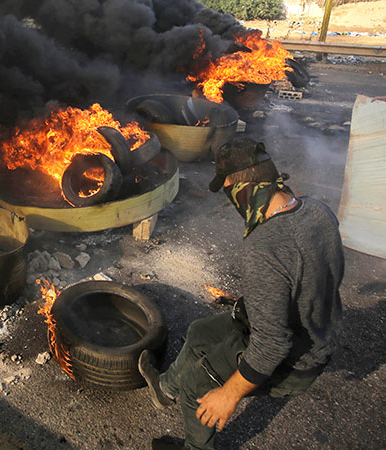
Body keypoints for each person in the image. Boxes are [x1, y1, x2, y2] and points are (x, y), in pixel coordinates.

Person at [138, 137, 345, 450]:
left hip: (296, 358)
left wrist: (229, 394)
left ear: (239, 188)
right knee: (199, 332)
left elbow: (272, 345)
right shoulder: (318, 210)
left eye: (227, 189)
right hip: (312, 325)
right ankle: (165, 390)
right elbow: (323, 272)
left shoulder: (263, 248)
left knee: (199, 384)